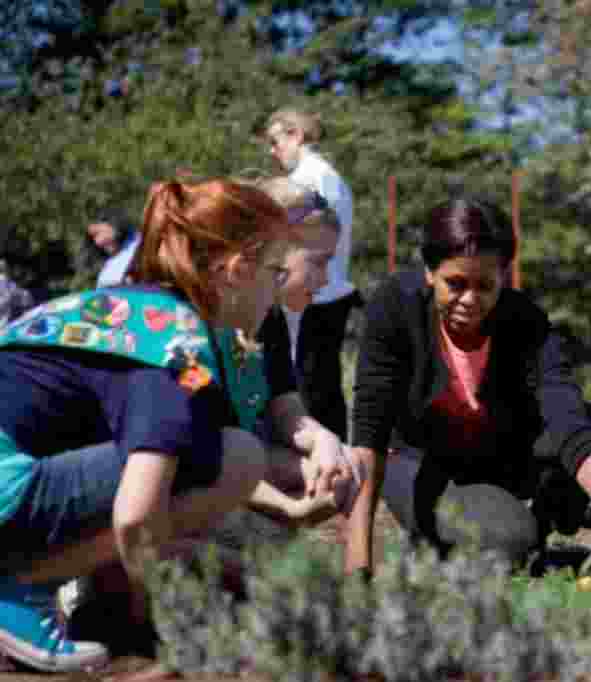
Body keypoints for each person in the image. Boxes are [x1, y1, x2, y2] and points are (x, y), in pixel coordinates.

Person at [0, 179, 359, 672]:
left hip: (20, 477)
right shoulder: (175, 340)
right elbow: (134, 514)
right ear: (236, 270)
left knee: (217, 460)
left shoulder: (144, 312)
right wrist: (169, 619)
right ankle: (25, 588)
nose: (279, 289)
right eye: (276, 272)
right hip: (10, 488)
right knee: (236, 456)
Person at [344, 197, 591, 575]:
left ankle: (519, 528)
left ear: (503, 277)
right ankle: (449, 536)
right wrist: (358, 560)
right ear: (431, 271)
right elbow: (370, 430)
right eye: (455, 284)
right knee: (507, 539)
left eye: (485, 286)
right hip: (416, 461)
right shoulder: (396, 307)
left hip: (489, 455)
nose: (470, 300)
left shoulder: (524, 321)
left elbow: (568, 420)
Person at [265, 108, 359, 441]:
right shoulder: (328, 176)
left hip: (312, 298)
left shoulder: (309, 180)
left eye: (275, 141)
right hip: (325, 293)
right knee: (321, 387)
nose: (272, 151)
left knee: (306, 391)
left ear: (296, 135)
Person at [87, 213, 142, 287]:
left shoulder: (144, 244)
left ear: (110, 223)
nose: (97, 242)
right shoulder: (106, 273)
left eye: (97, 233)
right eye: (92, 238)